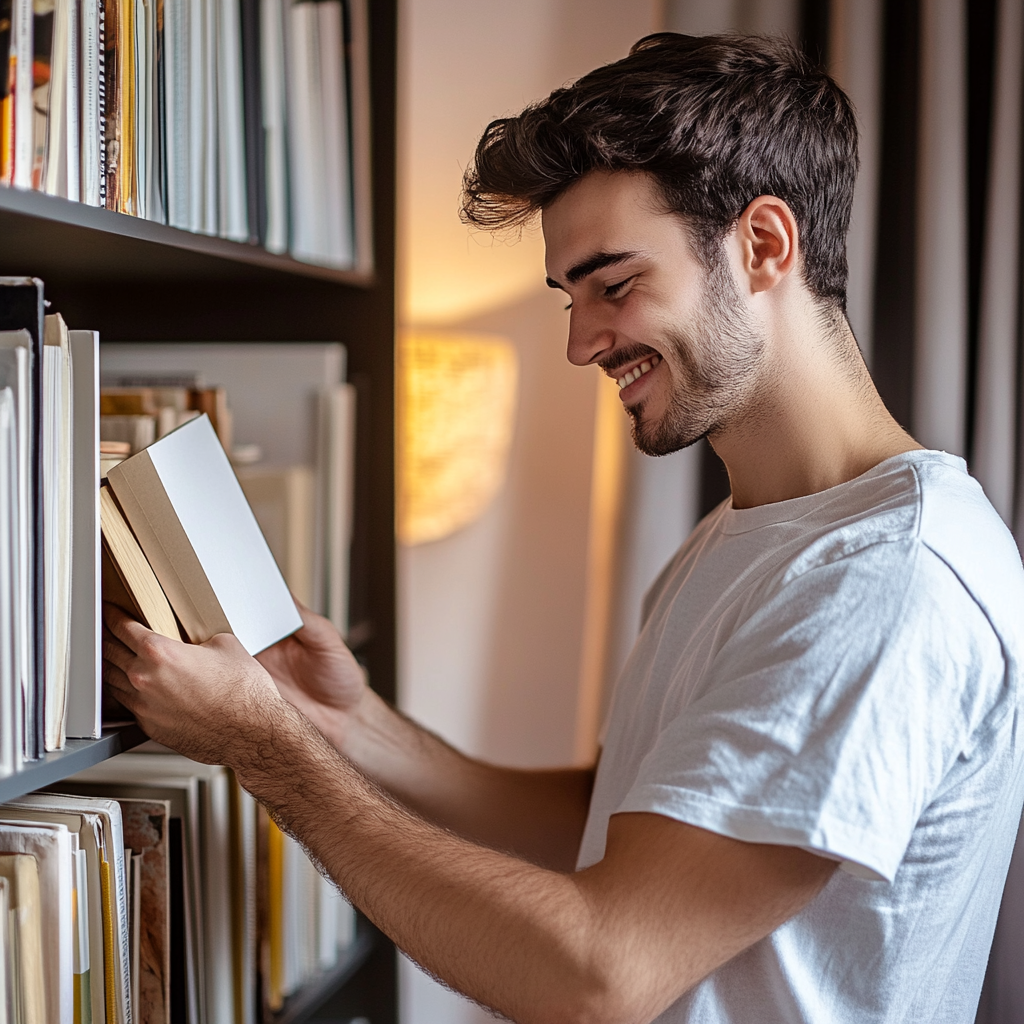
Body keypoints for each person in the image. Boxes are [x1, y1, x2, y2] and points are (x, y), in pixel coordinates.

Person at [102, 33, 1024, 1024]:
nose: (581, 342)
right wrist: (347, 723)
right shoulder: (746, 535)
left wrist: (267, 749)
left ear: (763, 245)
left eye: (613, 284)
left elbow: (601, 974)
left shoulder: (881, 576)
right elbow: (623, 821)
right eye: (570, 296)